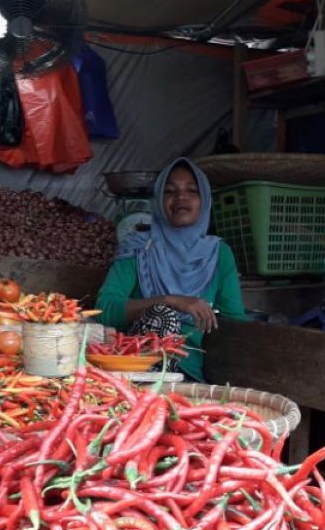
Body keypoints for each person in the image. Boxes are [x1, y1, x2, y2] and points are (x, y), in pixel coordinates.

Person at [95, 158, 247, 381]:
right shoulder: (138, 247)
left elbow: (235, 321)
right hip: (136, 371)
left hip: (189, 375)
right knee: (162, 313)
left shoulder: (218, 253)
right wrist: (169, 300)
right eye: (169, 191)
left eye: (192, 190)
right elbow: (104, 309)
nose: (181, 197)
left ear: (204, 200)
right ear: (158, 200)